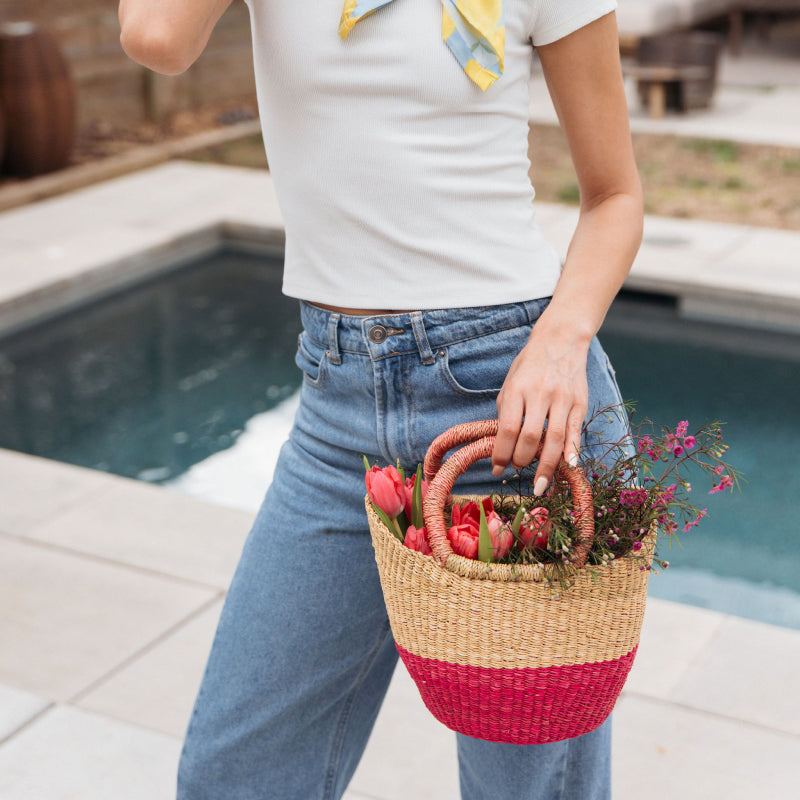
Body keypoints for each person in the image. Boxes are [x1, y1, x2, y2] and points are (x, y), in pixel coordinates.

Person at [119, 0, 642, 797]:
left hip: (514, 405)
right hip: (338, 410)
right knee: (236, 776)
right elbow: (156, 36)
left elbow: (616, 196)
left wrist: (562, 345)